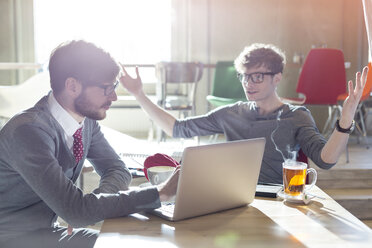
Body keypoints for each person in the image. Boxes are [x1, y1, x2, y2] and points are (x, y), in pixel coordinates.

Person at [0, 40, 179, 248]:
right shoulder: (28, 132)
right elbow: (76, 212)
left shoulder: (86, 123)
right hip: (11, 240)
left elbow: (118, 170)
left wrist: (86, 209)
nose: (114, 96)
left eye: (115, 87)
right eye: (106, 88)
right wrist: (161, 193)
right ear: (72, 86)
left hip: (47, 233)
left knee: (134, 242)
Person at [119, 43, 368, 184]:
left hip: (279, 199)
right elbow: (178, 128)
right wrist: (140, 94)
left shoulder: (297, 116)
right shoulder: (231, 113)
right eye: (245, 77)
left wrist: (345, 121)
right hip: (232, 198)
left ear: (277, 77)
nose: (249, 83)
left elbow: (325, 160)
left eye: (257, 76)